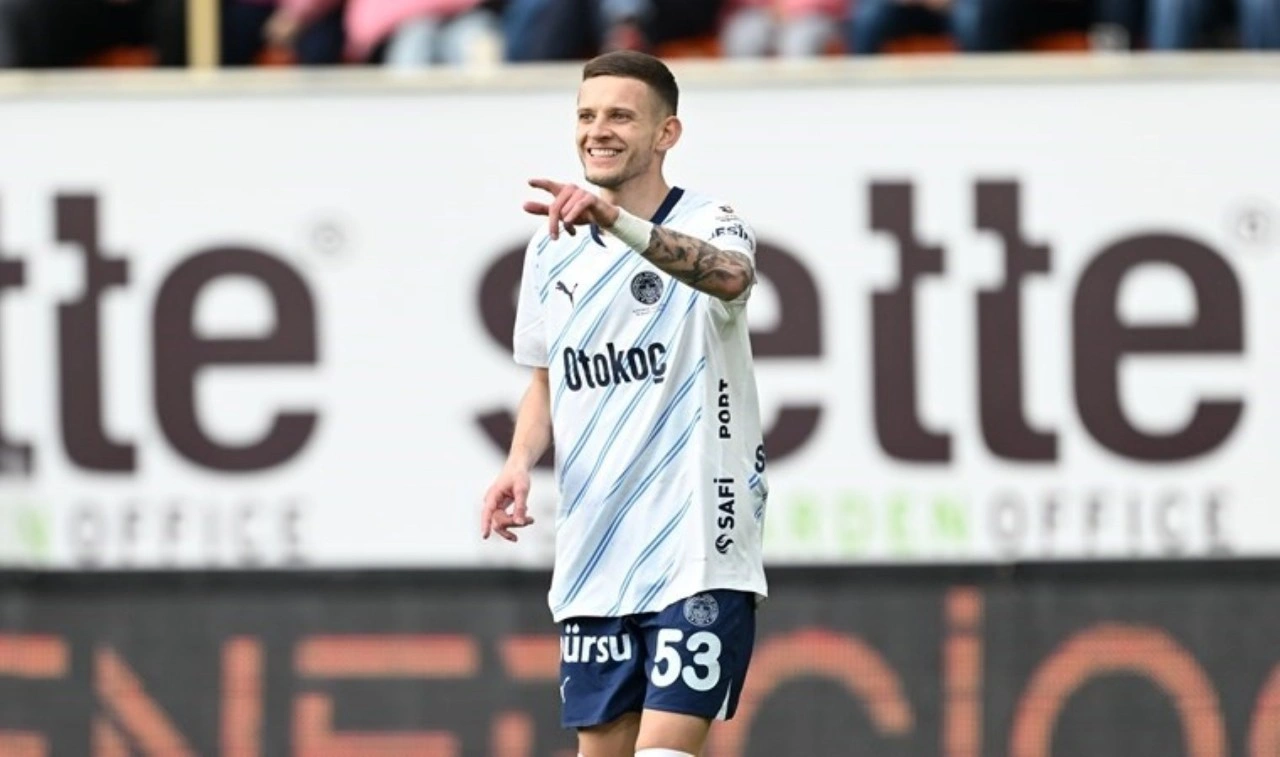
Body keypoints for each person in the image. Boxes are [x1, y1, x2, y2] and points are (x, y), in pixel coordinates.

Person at [481, 50, 769, 757]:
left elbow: (730, 279)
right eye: (586, 115)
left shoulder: (712, 221)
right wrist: (517, 464)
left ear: (667, 133)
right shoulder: (551, 250)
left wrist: (617, 222)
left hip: (697, 546)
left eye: (619, 116)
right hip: (595, 553)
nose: (597, 130)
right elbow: (546, 379)